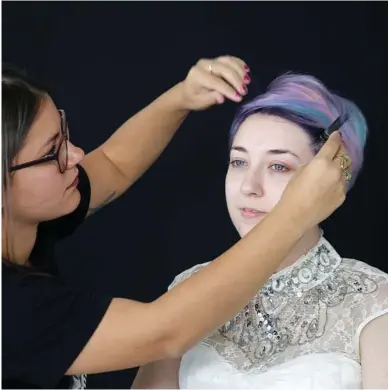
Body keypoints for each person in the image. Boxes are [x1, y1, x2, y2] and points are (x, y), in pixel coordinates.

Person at [2, 56, 348, 390]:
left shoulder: (34, 210)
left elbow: (113, 162)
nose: (75, 156)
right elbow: (166, 331)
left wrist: (182, 97)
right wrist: (293, 214)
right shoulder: (12, 311)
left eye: (63, 132)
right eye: (52, 153)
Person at [132, 73, 388, 389]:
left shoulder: (373, 301)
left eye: (279, 166)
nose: (249, 187)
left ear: (333, 178)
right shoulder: (187, 291)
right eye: (239, 162)